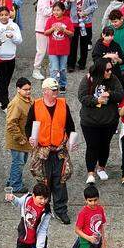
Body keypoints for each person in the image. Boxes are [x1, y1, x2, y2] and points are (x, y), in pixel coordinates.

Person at [26, 77, 76, 223]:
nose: (56, 92)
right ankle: (43, 209)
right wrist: (30, 137)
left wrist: (71, 142)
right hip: (42, 151)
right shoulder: (35, 105)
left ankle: (61, 210)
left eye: (57, 89)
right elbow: (28, 126)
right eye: (54, 90)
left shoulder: (63, 104)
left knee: (60, 180)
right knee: (43, 180)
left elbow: (70, 126)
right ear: (45, 91)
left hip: (59, 150)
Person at [79, 57, 124, 184]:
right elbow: (82, 97)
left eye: (111, 69)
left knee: (105, 145)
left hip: (109, 120)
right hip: (90, 121)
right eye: (107, 70)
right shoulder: (88, 79)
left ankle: (101, 168)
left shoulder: (113, 79)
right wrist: (96, 100)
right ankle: (90, 173)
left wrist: (109, 94)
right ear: (100, 70)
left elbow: (121, 94)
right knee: (92, 146)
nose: (110, 72)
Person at [5, 77, 35, 194]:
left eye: (29, 89)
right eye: (25, 89)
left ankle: (12, 180)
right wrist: (19, 138)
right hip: (18, 139)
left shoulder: (28, 99)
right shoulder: (16, 104)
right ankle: (16, 185)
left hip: (24, 138)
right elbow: (11, 124)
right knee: (18, 162)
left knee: (21, 161)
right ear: (18, 89)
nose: (28, 91)